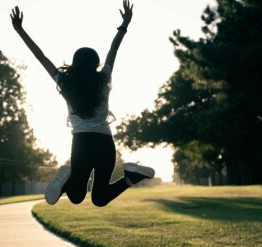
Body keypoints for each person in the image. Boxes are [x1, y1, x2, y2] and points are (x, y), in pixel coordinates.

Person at [11, 0, 155, 207]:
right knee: (100, 198)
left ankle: (65, 180)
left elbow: (40, 56)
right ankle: (131, 176)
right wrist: (124, 25)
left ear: (75, 63)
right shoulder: (103, 78)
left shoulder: (65, 81)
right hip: (104, 144)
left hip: (81, 144)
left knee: (77, 197)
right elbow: (113, 50)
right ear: (96, 64)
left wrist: (20, 30)